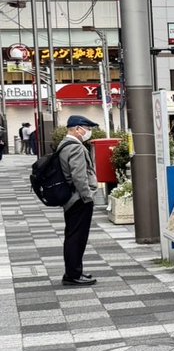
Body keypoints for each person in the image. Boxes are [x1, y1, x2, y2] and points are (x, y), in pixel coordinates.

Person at [60, 116, 100, 286]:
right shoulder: (75, 147)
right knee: (77, 237)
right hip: (78, 199)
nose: (88, 132)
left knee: (72, 235)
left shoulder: (63, 144)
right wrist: (87, 196)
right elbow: (79, 176)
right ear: (77, 129)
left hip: (70, 198)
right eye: (87, 128)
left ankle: (74, 271)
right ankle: (73, 275)